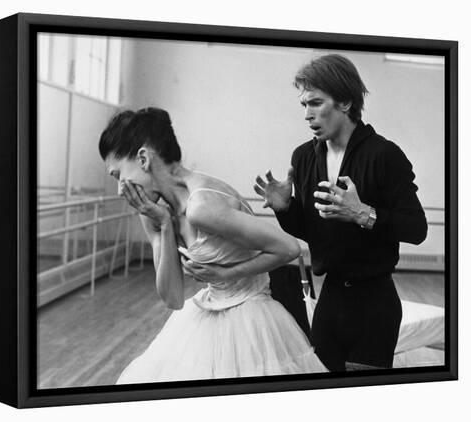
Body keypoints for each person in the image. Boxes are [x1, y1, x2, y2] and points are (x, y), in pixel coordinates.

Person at [98, 107, 327, 383]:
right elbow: (171, 297)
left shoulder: (202, 206)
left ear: (144, 158)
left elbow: (289, 248)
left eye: (117, 175)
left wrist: (223, 274)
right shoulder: (154, 212)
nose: (120, 188)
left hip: (251, 314)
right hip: (207, 311)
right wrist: (165, 225)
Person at [254, 54, 428, 372]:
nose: (307, 115)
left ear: (346, 102)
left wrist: (363, 213)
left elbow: (417, 229)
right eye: (304, 105)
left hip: (374, 302)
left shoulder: (384, 155)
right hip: (330, 299)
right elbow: (313, 230)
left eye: (316, 103)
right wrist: (286, 209)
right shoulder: (304, 157)